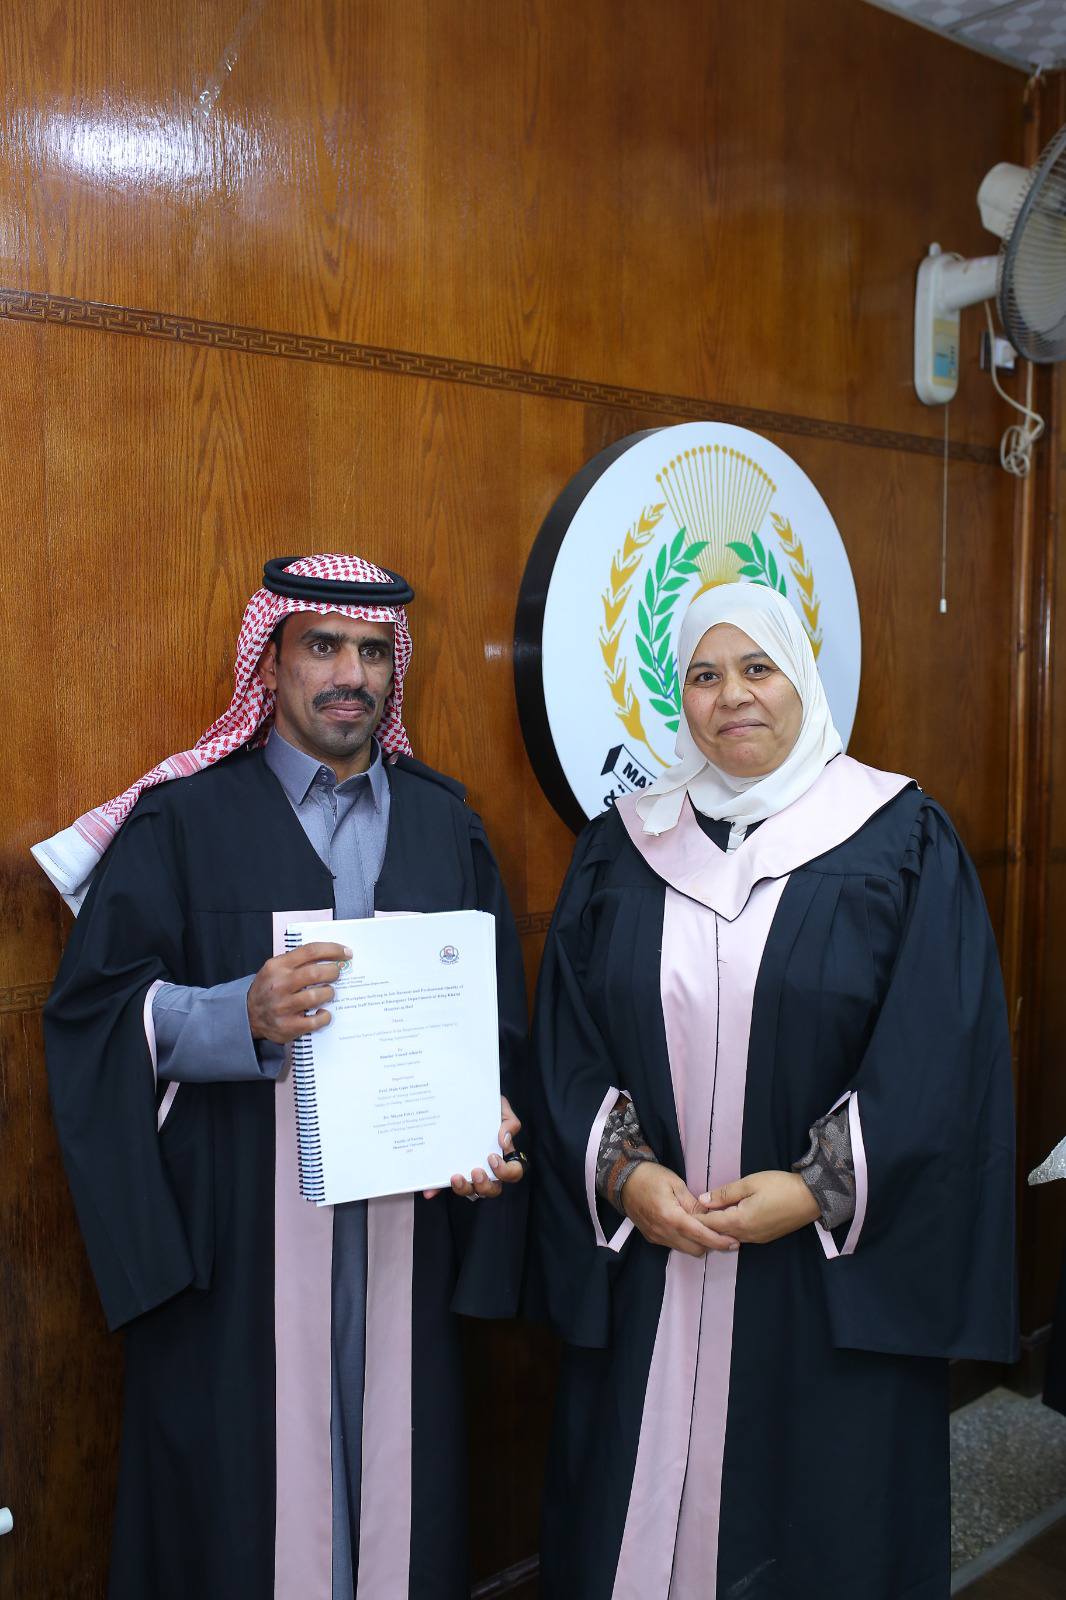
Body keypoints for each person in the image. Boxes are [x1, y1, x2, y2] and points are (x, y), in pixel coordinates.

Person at [37, 553, 527, 1600]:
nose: (350, 674)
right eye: (323, 646)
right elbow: (93, 1019)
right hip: (242, 1244)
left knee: (400, 1493)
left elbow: (498, 1033)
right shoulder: (183, 822)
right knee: (244, 1514)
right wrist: (238, 1015)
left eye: (373, 652)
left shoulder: (447, 823)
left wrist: (488, 1119)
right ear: (269, 663)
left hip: (408, 1240)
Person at [530, 581, 1017, 1600]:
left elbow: (938, 1053)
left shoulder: (899, 837)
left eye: (758, 668)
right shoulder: (623, 845)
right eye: (704, 675)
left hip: (821, 1276)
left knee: (819, 1532)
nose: (732, 696)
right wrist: (625, 1175)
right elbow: (567, 1041)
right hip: (657, 1256)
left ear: (803, 678)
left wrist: (814, 1188)